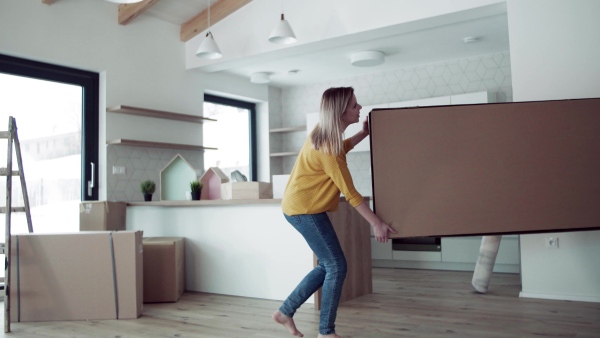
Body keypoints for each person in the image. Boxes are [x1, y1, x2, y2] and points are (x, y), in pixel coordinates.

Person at [272, 87, 397, 338]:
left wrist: (362, 133)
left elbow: (341, 150)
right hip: (304, 210)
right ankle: (326, 333)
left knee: (329, 265)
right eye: (354, 105)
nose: (359, 107)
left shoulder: (324, 136)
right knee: (336, 266)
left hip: (300, 208)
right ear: (340, 112)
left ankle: (284, 313)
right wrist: (376, 223)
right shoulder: (328, 147)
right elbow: (351, 194)